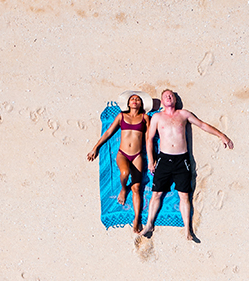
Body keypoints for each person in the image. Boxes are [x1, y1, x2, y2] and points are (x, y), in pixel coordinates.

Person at [139, 89, 234, 243]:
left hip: (182, 160)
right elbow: (149, 139)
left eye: (172, 95)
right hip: (163, 159)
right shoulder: (157, 117)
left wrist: (222, 136)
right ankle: (149, 224)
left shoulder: (183, 114)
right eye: (166, 96)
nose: (169, 97)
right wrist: (151, 160)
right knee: (156, 193)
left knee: (184, 196)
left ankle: (187, 229)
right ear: (162, 101)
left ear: (175, 100)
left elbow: (202, 125)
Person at [87, 90, 153, 233]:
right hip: (123, 154)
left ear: (141, 104)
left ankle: (136, 218)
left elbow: (148, 140)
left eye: (137, 99)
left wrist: (151, 159)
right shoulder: (121, 116)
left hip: (137, 155)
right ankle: (123, 189)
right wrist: (95, 148)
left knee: (136, 188)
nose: (135, 101)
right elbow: (109, 132)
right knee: (124, 172)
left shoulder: (145, 118)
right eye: (132, 99)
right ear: (128, 103)